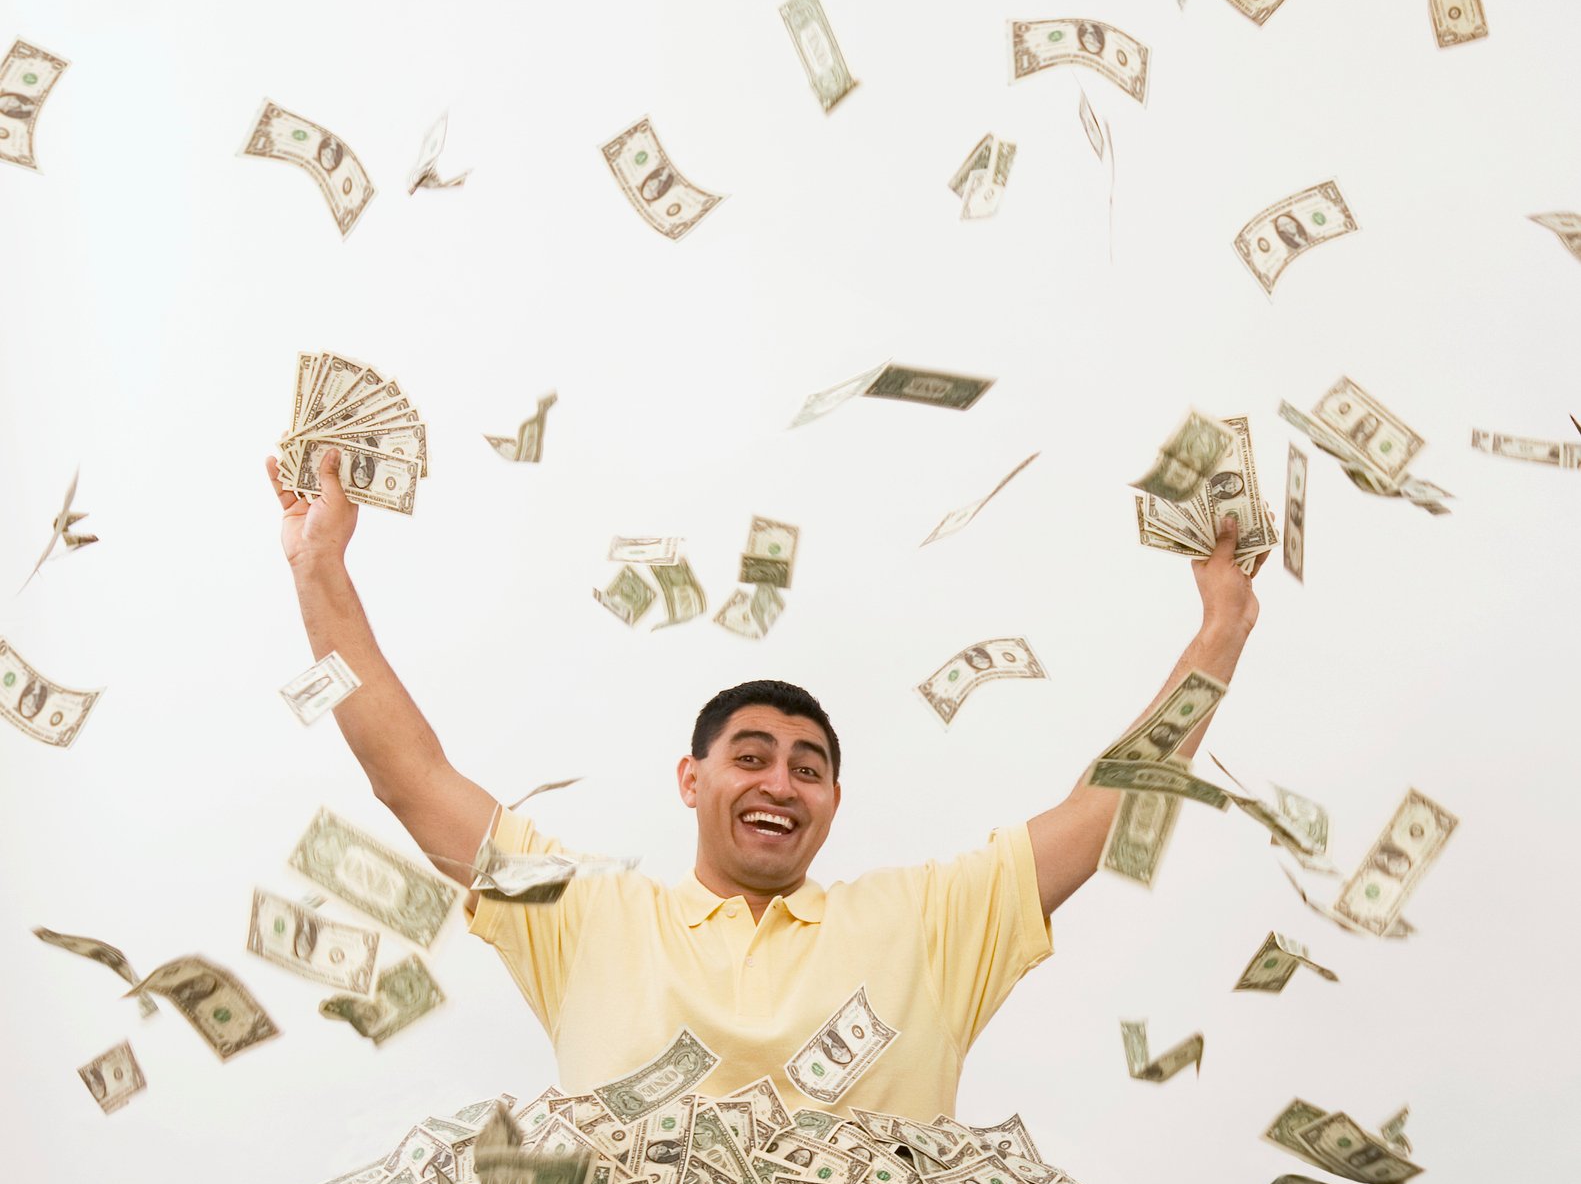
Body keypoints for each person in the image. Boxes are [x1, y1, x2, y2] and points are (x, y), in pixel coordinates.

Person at [270, 446, 1266, 1118]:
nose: (781, 781)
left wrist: (1222, 627)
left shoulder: (928, 918)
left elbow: (1114, 800)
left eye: (809, 766)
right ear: (690, 779)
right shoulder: (584, 912)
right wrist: (321, 572)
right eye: (750, 755)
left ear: (834, 800)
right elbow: (409, 773)